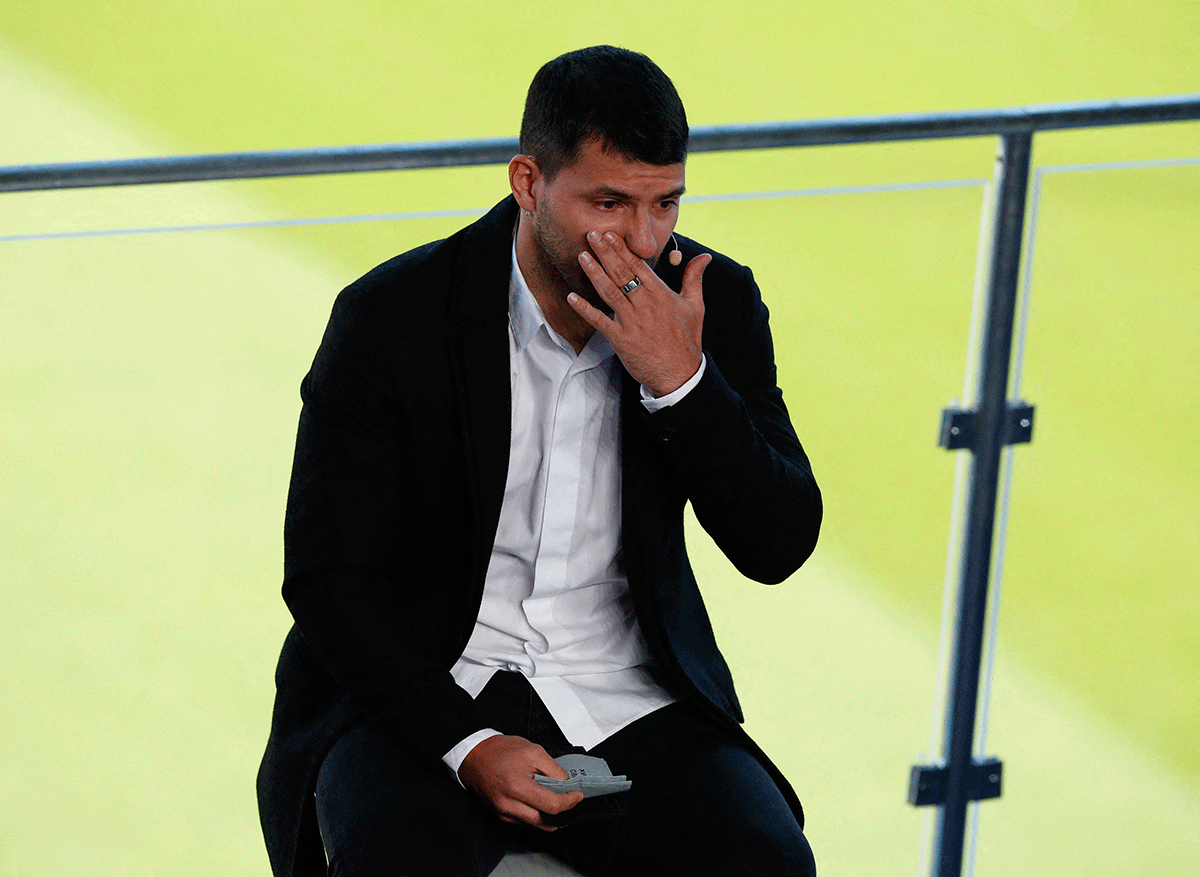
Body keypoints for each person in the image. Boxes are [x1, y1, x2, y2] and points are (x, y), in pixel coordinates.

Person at [257, 45, 822, 877]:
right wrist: (467, 743)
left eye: (666, 202)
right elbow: (326, 579)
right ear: (529, 183)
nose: (642, 238)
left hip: (629, 690)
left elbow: (778, 545)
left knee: (767, 861)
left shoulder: (708, 301)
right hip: (421, 690)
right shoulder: (391, 317)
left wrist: (682, 383)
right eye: (609, 202)